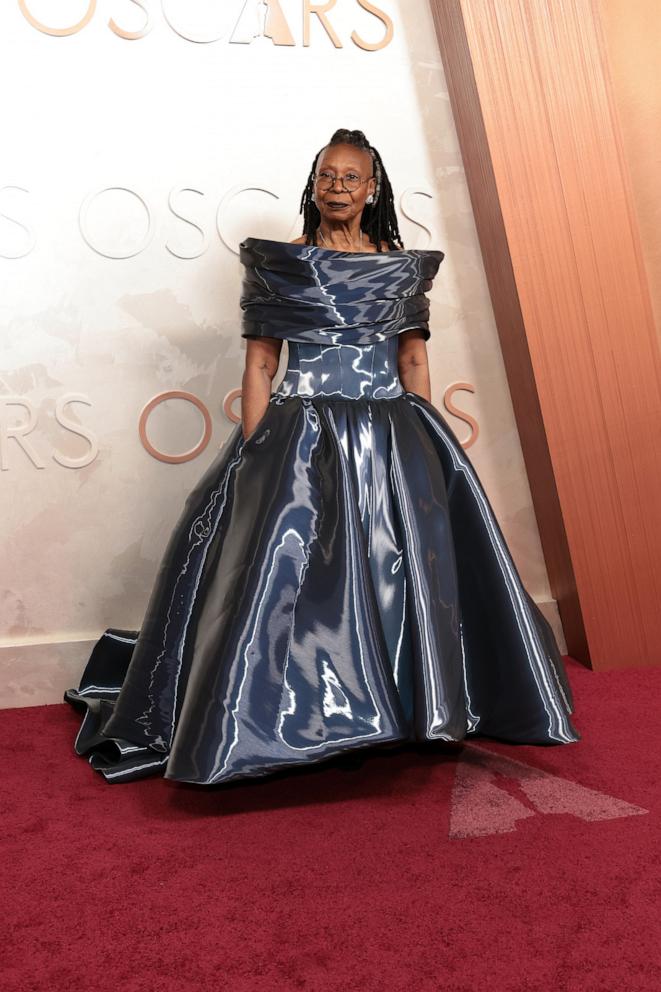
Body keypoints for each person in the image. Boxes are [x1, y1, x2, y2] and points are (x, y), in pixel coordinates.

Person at [64, 127, 580, 785]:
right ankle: (282, 723)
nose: (337, 186)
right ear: (314, 186)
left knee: (399, 577)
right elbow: (260, 364)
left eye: (350, 177)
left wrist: (423, 440)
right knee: (285, 582)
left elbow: (413, 358)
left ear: (371, 190)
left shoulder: (399, 265)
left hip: (391, 436)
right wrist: (256, 451)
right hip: (299, 434)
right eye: (327, 176)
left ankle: (402, 711)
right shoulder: (282, 263)